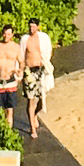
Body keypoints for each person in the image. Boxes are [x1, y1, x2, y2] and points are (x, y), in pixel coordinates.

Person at [21, 16, 55, 145]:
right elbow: (21, 54)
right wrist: (21, 72)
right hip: (29, 71)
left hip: (41, 71)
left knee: (42, 99)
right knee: (31, 100)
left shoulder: (43, 38)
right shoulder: (25, 39)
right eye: (30, 26)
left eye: (34, 26)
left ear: (38, 27)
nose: (31, 28)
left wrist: (45, 63)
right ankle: (32, 128)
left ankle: (35, 114)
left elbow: (48, 51)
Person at [0, 24, 24, 136]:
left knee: (10, 109)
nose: (6, 36)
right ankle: (0, 131)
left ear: (12, 35)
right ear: (2, 33)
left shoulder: (16, 47)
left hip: (10, 81)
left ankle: (7, 133)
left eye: (8, 34)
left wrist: (19, 70)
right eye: (4, 33)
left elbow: (22, 62)